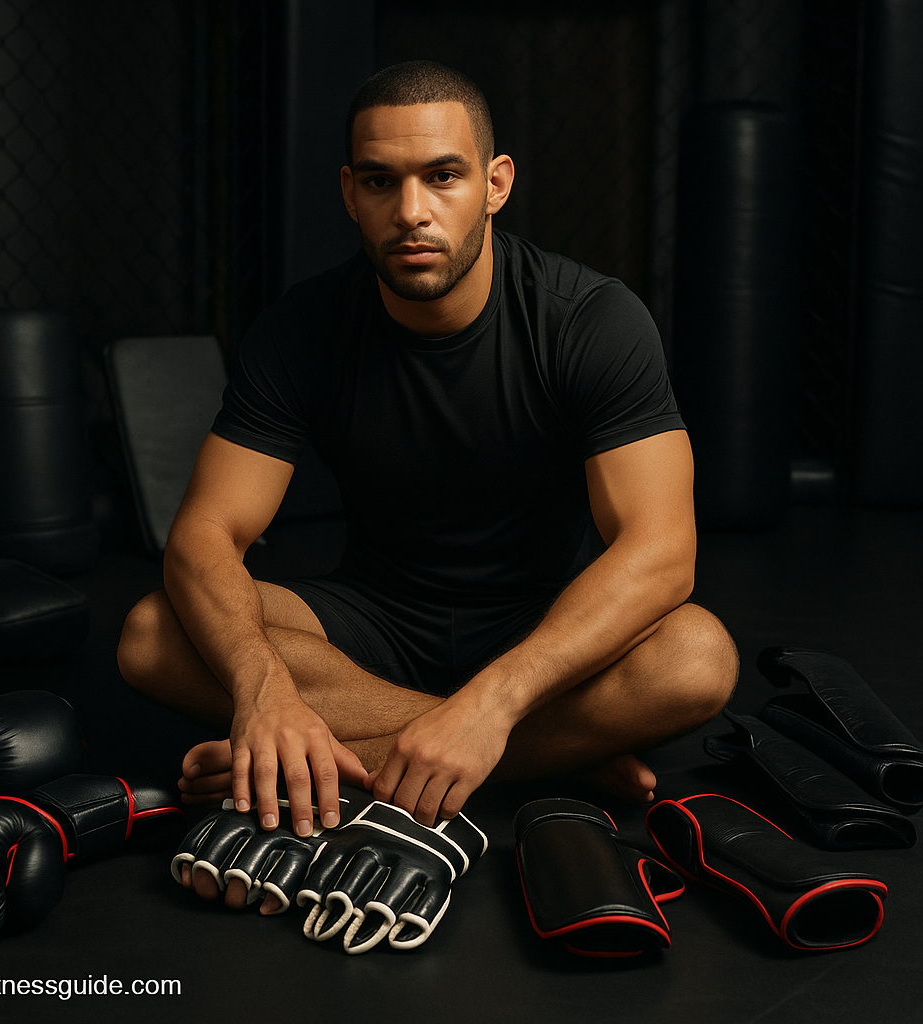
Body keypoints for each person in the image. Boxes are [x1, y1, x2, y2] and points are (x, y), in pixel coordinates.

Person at [117, 60, 738, 908]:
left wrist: (492, 705)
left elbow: (663, 554)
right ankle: (535, 755)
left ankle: (354, 760)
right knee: (152, 633)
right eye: (381, 181)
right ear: (349, 192)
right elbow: (204, 536)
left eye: (442, 176)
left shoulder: (589, 320)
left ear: (495, 184)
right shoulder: (303, 329)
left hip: (537, 631)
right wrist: (263, 691)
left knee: (697, 658)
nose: (411, 211)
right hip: (370, 622)